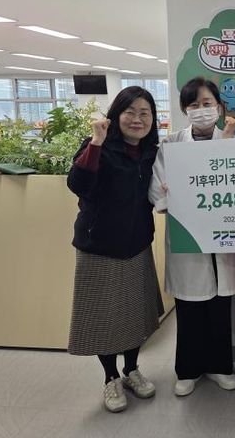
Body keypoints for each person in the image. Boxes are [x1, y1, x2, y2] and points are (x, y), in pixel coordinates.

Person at [67, 86, 164, 413]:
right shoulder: (98, 146)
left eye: (145, 113)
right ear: (116, 115)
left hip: (136, 243)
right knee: (103, 316)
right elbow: (77, 184)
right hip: (99, 245)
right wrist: (96, 141)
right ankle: (111, 377)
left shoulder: (151, 152)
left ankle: (132, 370)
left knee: (135, 312)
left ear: (153, 119)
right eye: (130, 112)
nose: (137, 119)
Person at [149, 77, 235, 397]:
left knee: (220, 311)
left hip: (223, 239)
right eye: (193, 105)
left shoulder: (234, 142)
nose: (201, 110)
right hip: (188, 238)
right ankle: (188, 370)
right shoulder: (171, 145)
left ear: (219, 107)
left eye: (207, 104)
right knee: (189, 311)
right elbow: (157, 192)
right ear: (184, 109)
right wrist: (168, 194)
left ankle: (221, 367)